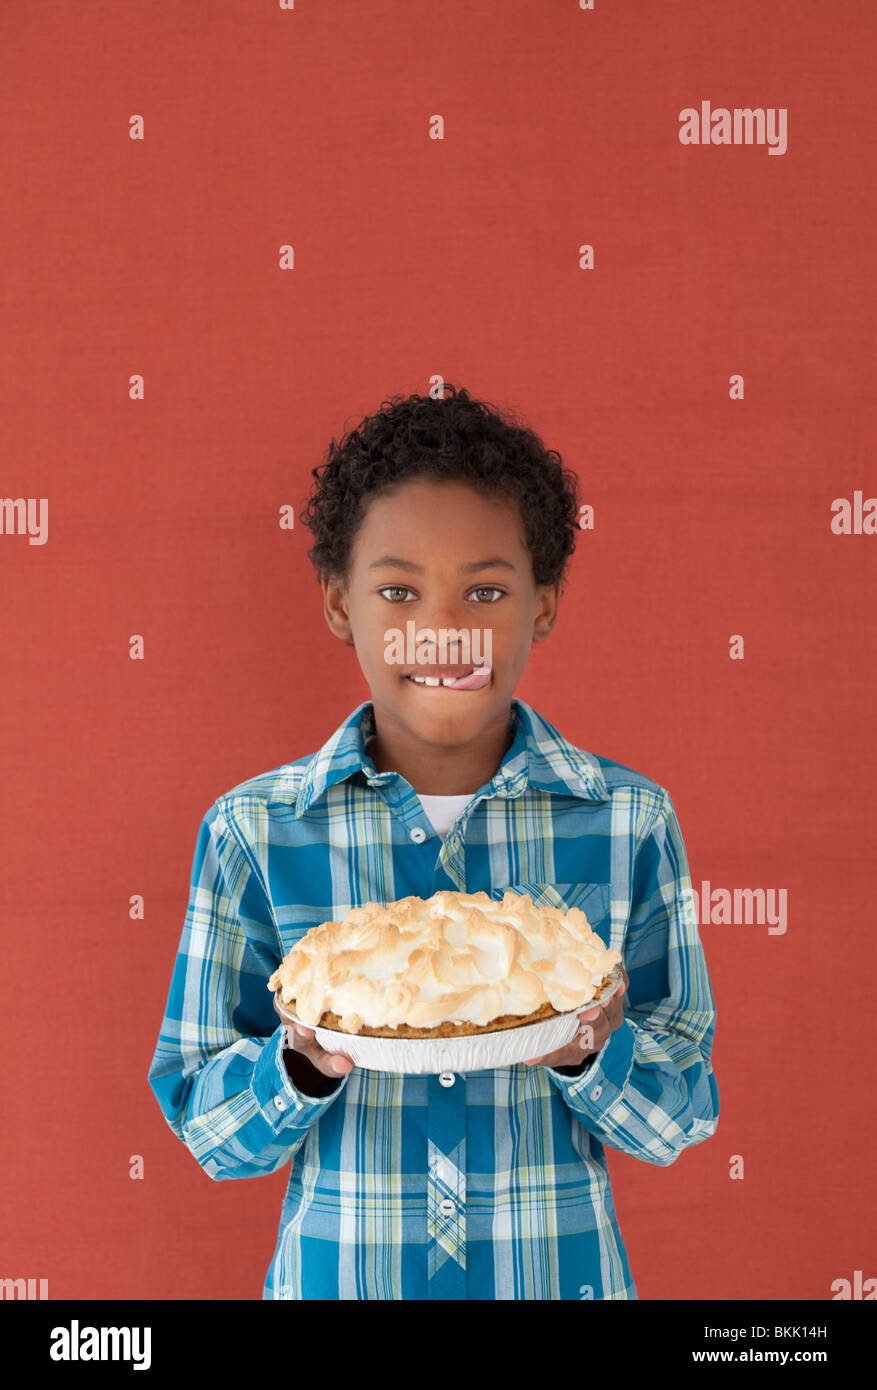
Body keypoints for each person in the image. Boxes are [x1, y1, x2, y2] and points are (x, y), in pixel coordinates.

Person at [147, 383, 719, 1299]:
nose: (443, 630)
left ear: (543, 604)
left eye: (485, 590)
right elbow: (209, 1135)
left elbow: (680, 1117)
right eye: (398, 590)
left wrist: (589, 1051)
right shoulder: (254, 833)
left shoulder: (626, 822)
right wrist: (295, 1065)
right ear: (340, 604)